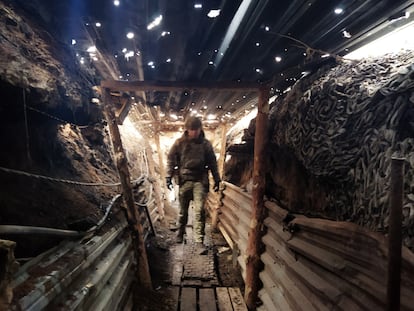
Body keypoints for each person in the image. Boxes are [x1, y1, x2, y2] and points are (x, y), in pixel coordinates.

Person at [166, 116, 221, 247]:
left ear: (200, 129)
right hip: (184, 180)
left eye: (196, 129)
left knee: (199, 211)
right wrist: (168, 177)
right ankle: (180, 233)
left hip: (200, 181)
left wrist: (217, 179)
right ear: (187, 130)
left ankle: (199, 240)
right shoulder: (179, 143)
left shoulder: (206, 144)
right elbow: (170, 160)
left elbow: (213, 163)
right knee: (182, 211)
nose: (194, 132)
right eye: (191, 130)